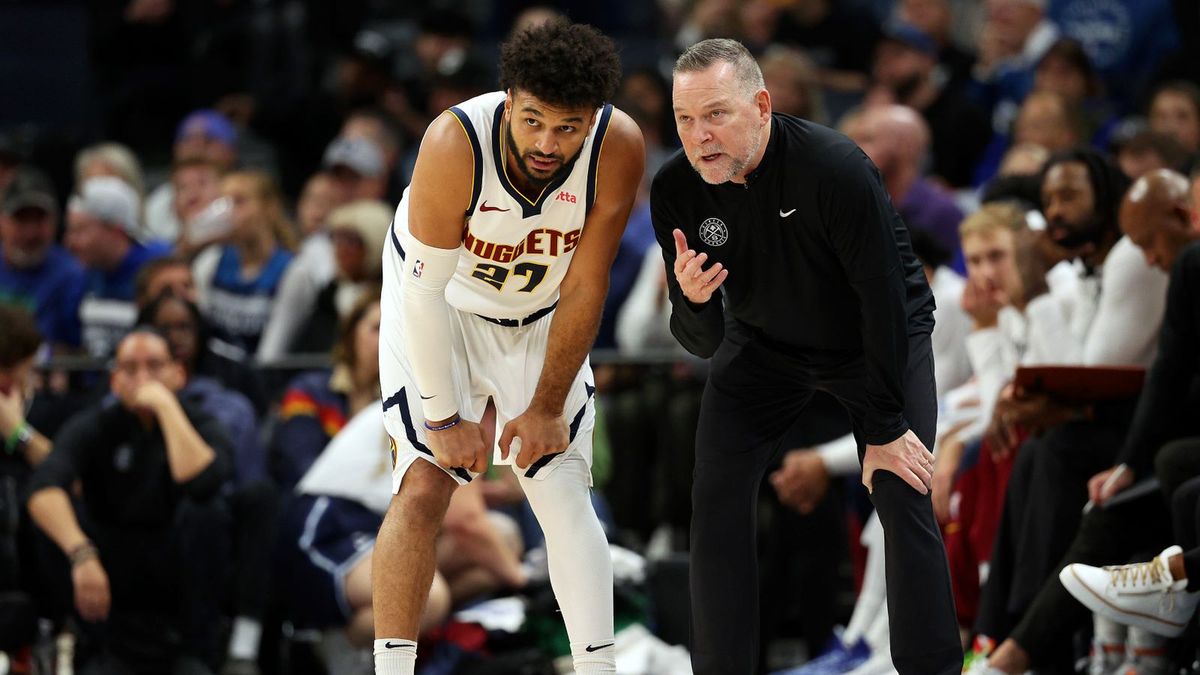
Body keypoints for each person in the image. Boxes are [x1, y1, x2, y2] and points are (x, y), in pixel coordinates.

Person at [651, 38, 960, 674]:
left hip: (873, 337)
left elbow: (884, 304)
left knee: (902, 485)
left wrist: (881, 428)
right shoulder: (677, 189)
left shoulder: (835, 166)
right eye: (685, 119)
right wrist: (692, 301)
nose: (699, 136)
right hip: (764, 347)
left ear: (761, 105)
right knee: (714, 493)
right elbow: (703, 340)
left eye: (716, 114)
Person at [372, 19, 643, 675]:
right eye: (533, 121)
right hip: (444, 307)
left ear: (594, 118)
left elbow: (586, 285)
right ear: (509, 100)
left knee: (560, 484)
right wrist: (442, 416)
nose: (548, 142)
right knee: (425, 482)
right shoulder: (453, 142)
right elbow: (424, 294)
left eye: (567, 126)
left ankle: (598, 669)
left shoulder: (618, 145)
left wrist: (547, 404)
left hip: (543, 309)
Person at [26, 329, 232, 674]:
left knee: (209, 512)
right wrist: (81, 553)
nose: (143, 379)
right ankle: (72, 637)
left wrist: (165, 406)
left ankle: (206, 651)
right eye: (130, 369)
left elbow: (202, 483)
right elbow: (43, 487)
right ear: (114, 381)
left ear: (179, 373)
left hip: (180, 599)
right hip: (111, 586)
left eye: (154, 366)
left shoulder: (203, 423)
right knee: (55, 518)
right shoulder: (96, 425)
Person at [66, 176, 170, 358]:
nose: (70, 242)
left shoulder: (159, 268)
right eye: (70, 230)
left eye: (80, 230)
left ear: (116, 230)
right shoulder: (83, 271)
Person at [0, 168, 85, 352]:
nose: (31, 232)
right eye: (21, 219)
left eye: (39, 220)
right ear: (2, 221)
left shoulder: (71, 276)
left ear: (55, 222)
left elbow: (74, 349)